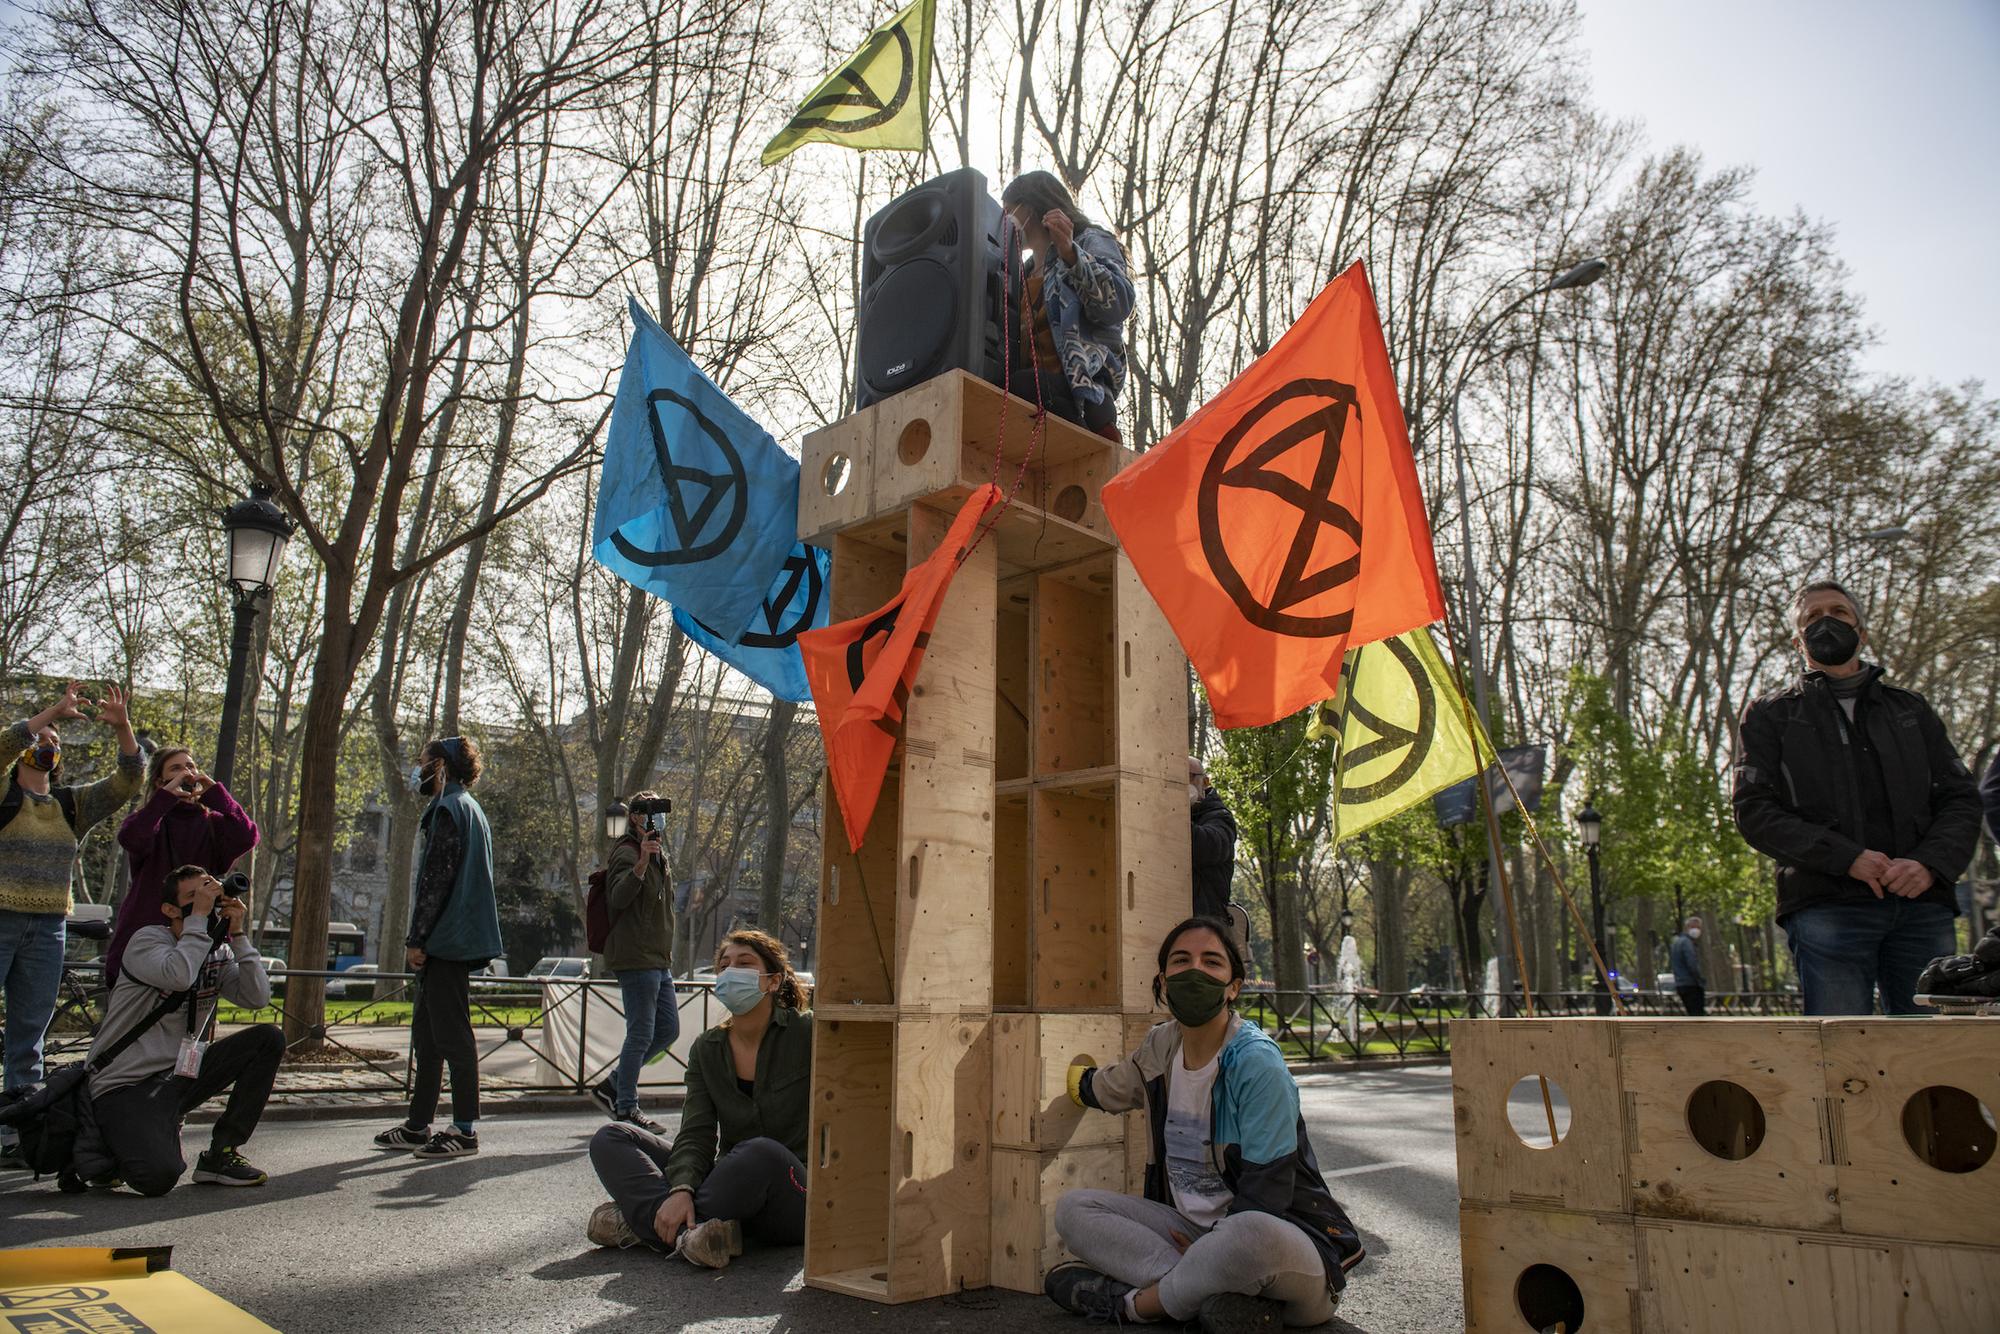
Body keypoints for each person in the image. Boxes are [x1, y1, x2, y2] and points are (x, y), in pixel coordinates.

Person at [1044, 917, 1363, 1331]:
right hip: (1192, 1236)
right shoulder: (1161, 1045)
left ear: (1234, 986)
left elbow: (1267, 1197)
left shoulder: (1256, 1063)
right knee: (1074, 1209)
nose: (1194, 971)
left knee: (1249, 1233)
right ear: (1163, 980)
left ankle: (1133, 1305)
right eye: (1181, 960)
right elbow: (1114, 1086)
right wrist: (1078, 1083)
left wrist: (1212, 1247)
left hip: (1282, 1248)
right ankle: (1210, 1299)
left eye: (1211, 962)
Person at [1732, 580, 1982, 1015]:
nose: (1826, 622)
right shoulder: (1772, 715)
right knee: (1840, 1057)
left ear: (1862, 632)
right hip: (1827, 907)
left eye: (1839, 613)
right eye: (1812, 617)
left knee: (1935, 1054)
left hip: (1921, 905)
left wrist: (1930, 864)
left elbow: (1961, 798)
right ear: (1798, 641)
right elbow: (1753, 810)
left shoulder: (1911, 710)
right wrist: (1847, 857)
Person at [586, 929, 812, 1269]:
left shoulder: (808, 1033)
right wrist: (681, 1190)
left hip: (791, 1192)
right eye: (724, 965)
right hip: (728, 1187)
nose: (730, 971)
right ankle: (693, 1232)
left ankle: (642, 1224)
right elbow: (696, 1133)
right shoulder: (707, 1048)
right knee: (612, 1136)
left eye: (745, 963)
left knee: (760, 1151)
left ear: (772, 981)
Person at [1, 682, 144, 1169]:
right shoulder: (4, 792)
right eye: (43, 737)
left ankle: (18, 1137)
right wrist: (49, 714)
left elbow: (128, 782)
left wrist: (123, 727)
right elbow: (2, 743)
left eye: (56, 740)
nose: (49, 742)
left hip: (47, 929)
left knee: (29, 1035)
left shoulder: (68, 805)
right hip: (0, 919)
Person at [70, 866, 281, 1194]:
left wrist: (238, 936)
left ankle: (220, 1154)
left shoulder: (217, 952)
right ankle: (107, 1145)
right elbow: (180, 974)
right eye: (196, 897)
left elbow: (257, 998)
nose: (207, 902)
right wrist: (199, 917)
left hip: (180, 1075)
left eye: (210, 894)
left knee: (268, 1039)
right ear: (170, 909)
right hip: (126, 1083)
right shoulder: (147, 942)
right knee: (159, 1177)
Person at [372, 736, 499, 1159]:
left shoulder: (448, 809)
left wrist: (417, 938)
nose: (418, 769)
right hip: (455, 935)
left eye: (422, 762)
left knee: (452, 1035)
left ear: (440, 765)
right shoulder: (469, 808)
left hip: (446, 939)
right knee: (427, 1038)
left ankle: (464, 1129)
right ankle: (417, 1124)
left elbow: (435, 880)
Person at [107, 742, 258, 985]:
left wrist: (219, 797)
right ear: (160, 781)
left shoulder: (213, 823)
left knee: (196, 1009)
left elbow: (247, 836)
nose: (186, 773)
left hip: (203, 931)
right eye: (175, 769)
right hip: (149, 929)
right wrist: (163, 800)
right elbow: (131, 838)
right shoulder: (150, 819)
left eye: (190, 766)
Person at [1000, 171, 1135, 441]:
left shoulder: (1089, 242)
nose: (1004, 221)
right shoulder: (1019, 276)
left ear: (1029, 206)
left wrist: (1072, 256)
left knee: (1019, 386)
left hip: (1080, 390)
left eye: (1008, 211)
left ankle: (1094, 427)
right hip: (1031, 392)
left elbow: (1118, 303)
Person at [589, 790, 678, 1132]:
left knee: (668, 1030)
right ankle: (626, 1106)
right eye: (651, 810)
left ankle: (614, 1085)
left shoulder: (660, 854)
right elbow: (618, 897)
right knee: (640, 1033)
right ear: (637, 818)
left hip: (658, 957)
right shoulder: (626, 852)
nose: (658, 816)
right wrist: (640, 862)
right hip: (635, 956)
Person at [1190, 757, 1237, 923]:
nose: (1183, 784)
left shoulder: (1221, 817)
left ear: (1205, 782)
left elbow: (1208, 846)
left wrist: (1177, 809)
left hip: (1208, 922)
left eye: (1190, 777)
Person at [1669, 916, 1707, 1016]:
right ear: (1687, 927)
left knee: (1691, 1013)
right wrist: (1700, 980)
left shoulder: (1676, 942)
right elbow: (1692, 964)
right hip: (1691, 985)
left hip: (1680, 984)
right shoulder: (1687, 943)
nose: (1697, 930)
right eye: (1694, 927)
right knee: (1697, 1015)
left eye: (1699, 928)